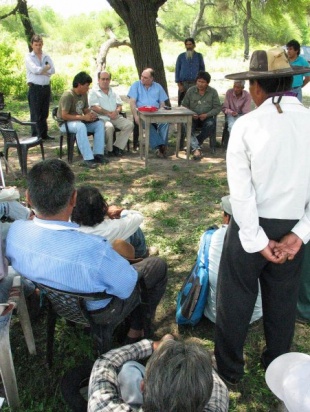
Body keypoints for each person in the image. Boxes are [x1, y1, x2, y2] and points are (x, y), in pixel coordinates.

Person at [214, 47, 310, 386]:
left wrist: (256, 239)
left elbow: (241, 195)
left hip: (251, 224)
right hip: (293, 226)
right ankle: (279, 368)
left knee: (235, 297)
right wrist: (299, 234)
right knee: (283, 300)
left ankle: (228, 370)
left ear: (257, 87)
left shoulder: (246, 125)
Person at [5, 159, 167, 343]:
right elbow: (126, 287)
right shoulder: (94, 248)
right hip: (99, 312)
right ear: (73, 198)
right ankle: (137, 330)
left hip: (57, 302)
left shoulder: (15, 232)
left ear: (28, 198)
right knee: (157, 266)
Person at [88, 336, 229, 412]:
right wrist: (202, 364)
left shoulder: (102, 407)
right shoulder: (218, 403)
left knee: (128, 370)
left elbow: (105, 363)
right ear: (204, 401)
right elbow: (217, 386)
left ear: (142, 386)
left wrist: (153, 345)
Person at [204, 195, 262, 324]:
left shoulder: (213, 237)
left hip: (216, 314)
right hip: (253, 314)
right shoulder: (261, 239)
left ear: (226, 217)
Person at [71, 185, 148, 259]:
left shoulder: (65, 225)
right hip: (107, 260)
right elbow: (138, 216)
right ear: (102, 207)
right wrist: (121, 212)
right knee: (133, 229)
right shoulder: (112, 228)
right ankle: (142, 255)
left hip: (84, 260)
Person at [56, 71, 108, 168]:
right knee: (81, 126)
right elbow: (64, 115)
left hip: (79, 121)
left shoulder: (84, 94)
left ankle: (98, 154)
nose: (88, 88)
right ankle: (88, 158)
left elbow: (85, 109)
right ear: (79, 85)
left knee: (99, 124)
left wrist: (90, 115)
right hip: (65, 124)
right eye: (87, 85)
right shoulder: (68, 95)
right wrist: (83, 117)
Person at [88, 71, 133, 157]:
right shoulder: (93, 92)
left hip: (115, 116)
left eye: (107, 79)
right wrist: (108, 113)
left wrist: (116, 111)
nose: (105, 81)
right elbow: (94, 107)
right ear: (98, 80)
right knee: (109, 127)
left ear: (110, 80)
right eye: (103, 79)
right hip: (101, 117)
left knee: (129, 125)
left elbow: (119, 105)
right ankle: (109, 150)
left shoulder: (113, 92)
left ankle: (117, 147)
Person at [128, 68, 169, 158]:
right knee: (147, 123)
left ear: (151, 79)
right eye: (142, 76)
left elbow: (162, 103)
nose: (142, 78)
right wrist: (135, 116)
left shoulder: (158, 86)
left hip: (156, 113)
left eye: (145, 77)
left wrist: (162, 110)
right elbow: (132, 102)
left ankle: (160, 147)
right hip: (142, 114)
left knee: (165, 122)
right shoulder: (136, 85)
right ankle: (161, 147)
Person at [182, 71, 221, 159]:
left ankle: (194, 144)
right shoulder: (191, 91)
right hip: (193, 117)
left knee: (211, 124)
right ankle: (196, 149)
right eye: (198, 81)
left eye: (203, 82)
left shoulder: (213, 92)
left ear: (207, 83)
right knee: (186, 123)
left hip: (206, 118)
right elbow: (184, 106)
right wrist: (191, 114)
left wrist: (207, 115)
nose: (200, 84)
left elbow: (217, 108)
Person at [25, 34, 55, 140]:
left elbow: (53, 70)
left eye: (40, 44)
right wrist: (45, 69)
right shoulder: (29, 57)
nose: (38, 47)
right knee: (35, 112)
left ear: (42, 44)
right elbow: (35, 70)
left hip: (45, 87)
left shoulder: (46, 56)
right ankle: (35, 135)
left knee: (44, 112)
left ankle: (43, 134)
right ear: (32, 45)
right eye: (36, 44)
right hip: (35, 88)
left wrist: (43, 70)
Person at [175, 37, 205, 106]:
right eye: (187, 45)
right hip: (183, 84)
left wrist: (201, 83)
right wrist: (179, 85)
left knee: (195, 103)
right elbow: (177, 70)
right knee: (182, 103)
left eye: (190, 44)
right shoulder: (181, 56)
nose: (188, 46)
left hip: (195, 83)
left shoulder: (199, 56)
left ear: (194, 45)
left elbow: (202, 70)